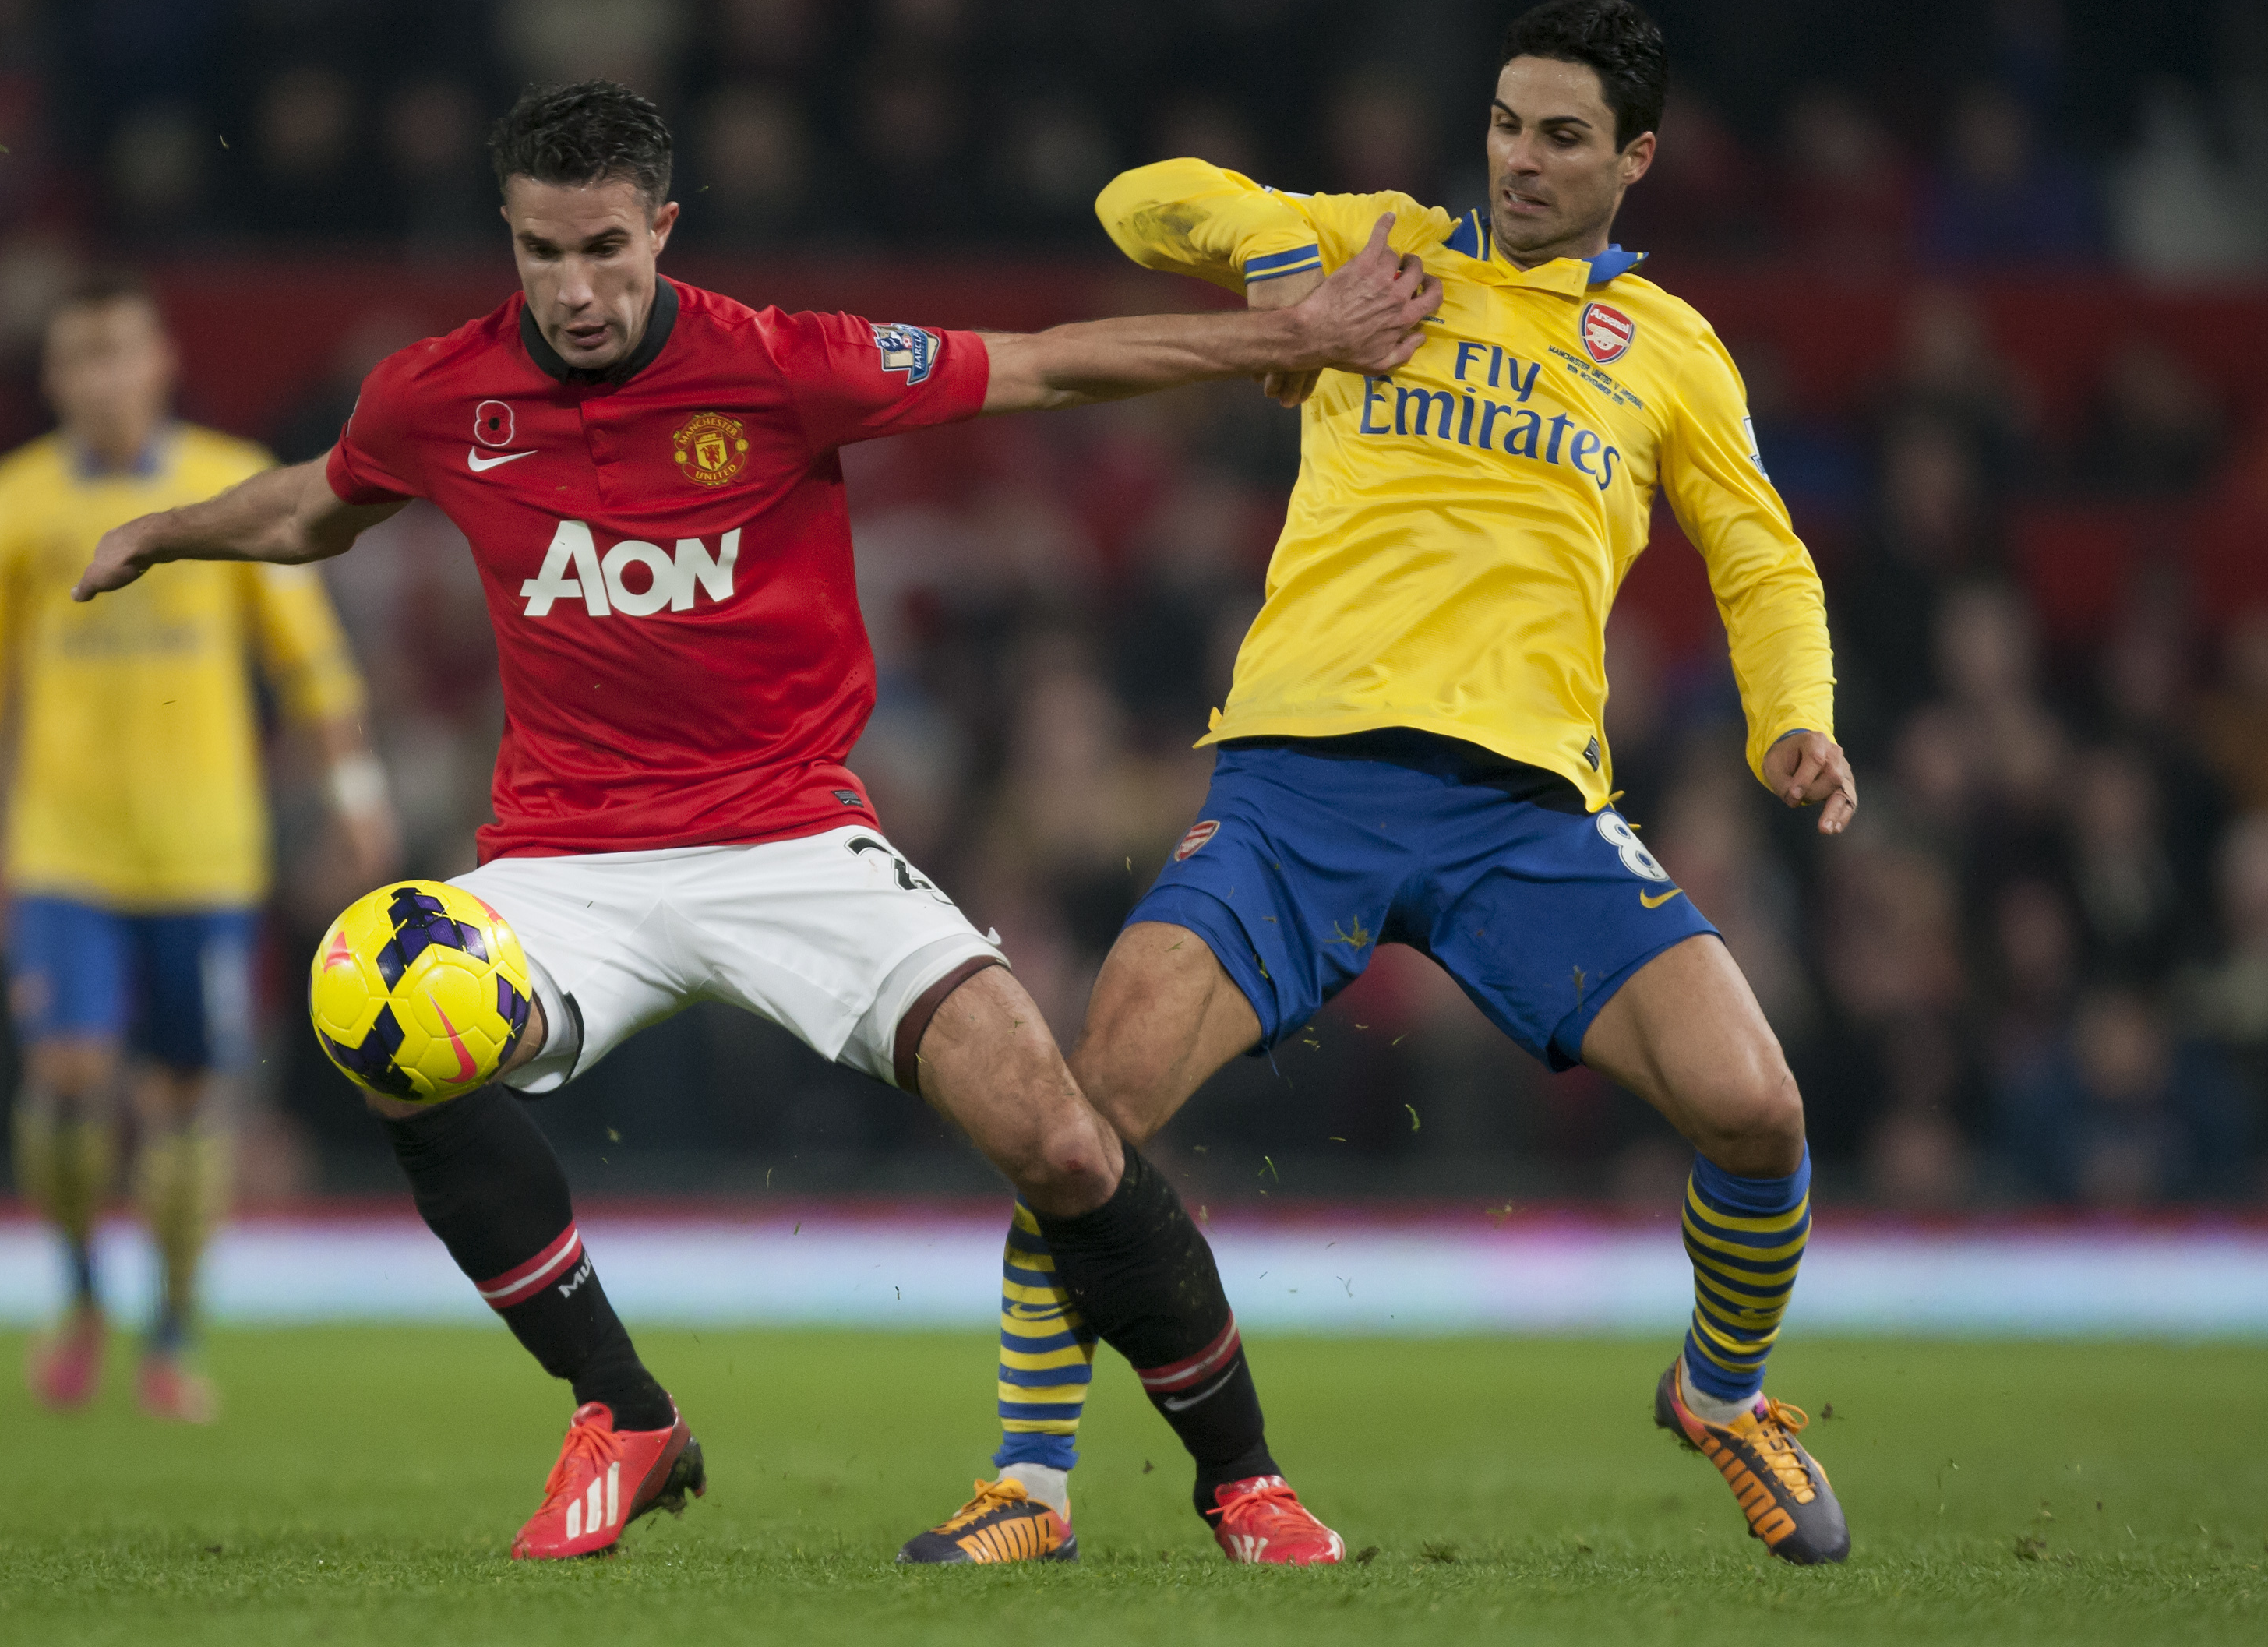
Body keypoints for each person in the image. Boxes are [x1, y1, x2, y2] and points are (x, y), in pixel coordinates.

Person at [71, 79, 1439, 1560]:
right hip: (565, 865)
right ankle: (621, 1409)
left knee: (1053, 1134)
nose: (577, 289)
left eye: (604, 247)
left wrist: (1289, 336)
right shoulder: (433, 396)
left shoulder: (784, 363)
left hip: (791, 842)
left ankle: (1241, 1477)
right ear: (507, 240)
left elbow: (1044, 367)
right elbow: (313, 508)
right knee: (375, 1010)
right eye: (542, 252)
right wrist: (165, 530)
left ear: (662, 227)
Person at [912, 0, 1860, 1568]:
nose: (1524, 160)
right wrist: (1279, 269)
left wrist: (1793, 716)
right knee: (1091, 1113)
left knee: (1758, 1109)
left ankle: (1723, 1390)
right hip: (1302, 784)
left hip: (1528, 809)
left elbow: (1761, 554)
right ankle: (1030, 1477)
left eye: (1564, 136)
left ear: (1638, 156)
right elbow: (1132, 204)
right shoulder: (1380, 247)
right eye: (1506, 123)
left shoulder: (1673, 350)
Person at [0, 271, 395, 1422]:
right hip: (64, 848)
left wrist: (354, 795)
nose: (103, 377)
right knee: (74, 1074)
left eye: (121, 352)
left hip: (205, 852)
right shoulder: (9, 503)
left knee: (189, 1103)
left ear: (160, 364)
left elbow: (311, 663)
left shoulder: (222, 483)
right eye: (80, 356)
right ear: (53, 379)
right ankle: (85, 1291)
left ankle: (174, 1331)